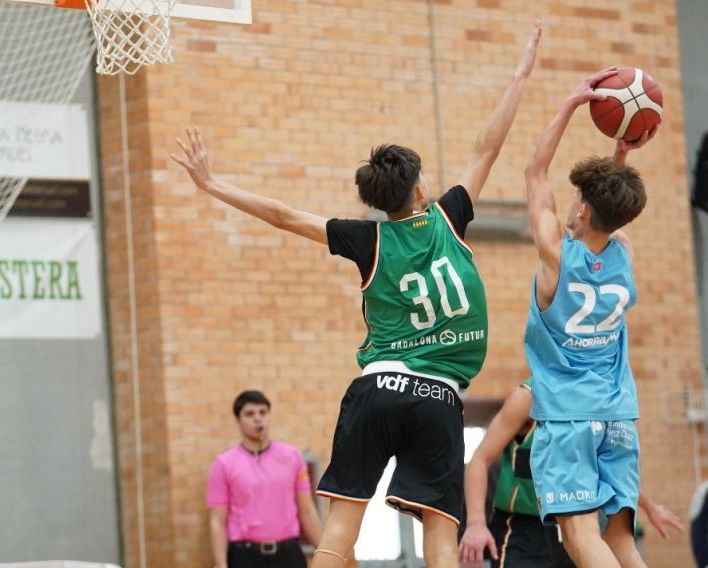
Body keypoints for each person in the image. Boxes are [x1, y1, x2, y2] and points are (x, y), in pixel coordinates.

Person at [174, 21, 542, 568]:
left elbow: (282, 214)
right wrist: (518, 76)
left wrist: (212, 184)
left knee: (338, 535)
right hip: (438, 397)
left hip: (375, 390)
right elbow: (488, 146)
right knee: (440, 538)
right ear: (419, 188)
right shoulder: (449, 217)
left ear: (375, 202)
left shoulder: (366, 239)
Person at [523, 68, 658, 568]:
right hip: (619, 416)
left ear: (580, 208)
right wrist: (619, 158)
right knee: (621, 540)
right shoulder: (622, 251)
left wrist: (570, 104)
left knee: (581, 537)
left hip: (567, 416)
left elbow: (535, 174)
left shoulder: (556, 256)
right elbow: (607, 212)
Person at [458, 380, 684, 568]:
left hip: (576, 519)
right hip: (523, 526)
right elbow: (479, 459)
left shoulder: (596, 401)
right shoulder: (527, 397)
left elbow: (606, 471)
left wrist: (650, 507)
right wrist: (476, 523)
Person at [206, 390, 323, 568]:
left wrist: (325, 553)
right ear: (238, 420)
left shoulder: (292, 456)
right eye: (250, 414)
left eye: (263, 412)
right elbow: (217, 521)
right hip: (244, 555)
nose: (258, 418)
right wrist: (221, 564)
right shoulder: (224, 464)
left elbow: (307, 511)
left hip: (288, 553)